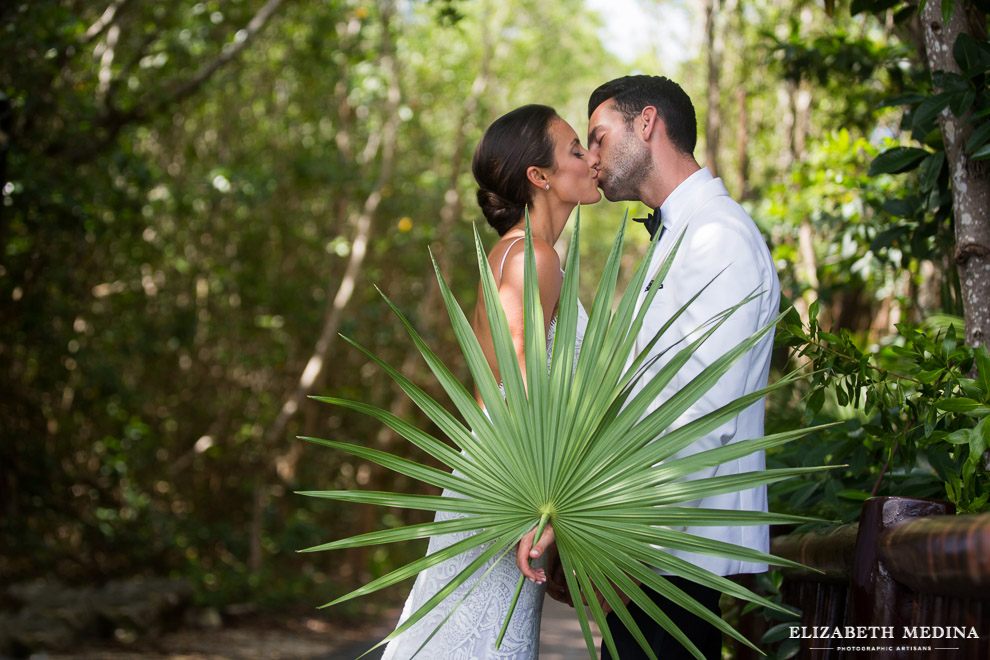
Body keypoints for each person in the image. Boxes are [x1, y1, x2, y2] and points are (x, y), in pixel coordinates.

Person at [520, 75, 781, 659]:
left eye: (600, 136)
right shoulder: (679, 236)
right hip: (652, 552)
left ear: (646, 125)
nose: (593, 158)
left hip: (673, 553)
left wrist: (623, 541)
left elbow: (700, 414)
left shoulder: (718, 236)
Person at [381, 104, 600, 660]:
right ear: (540, 176)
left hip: (496, 482)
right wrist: (537, 508)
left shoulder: (515, 254)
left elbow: (493, 394)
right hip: (514, 490)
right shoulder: (535, 259)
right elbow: (516, 399)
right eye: (576, 149)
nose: (592, 160)